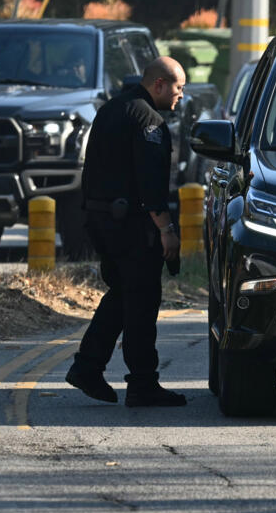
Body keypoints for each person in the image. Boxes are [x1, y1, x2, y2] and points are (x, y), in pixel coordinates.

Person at [64, 56, 186, 407]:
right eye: (178, 88)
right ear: (159, 85)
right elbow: (150, 183)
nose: (181, 96)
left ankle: (88, 367)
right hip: (133, 226)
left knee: (123, 295)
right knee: (143, 301)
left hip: (102, 221)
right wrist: (167, 229)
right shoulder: (148, 119)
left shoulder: (111, 110)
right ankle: (142, 383)